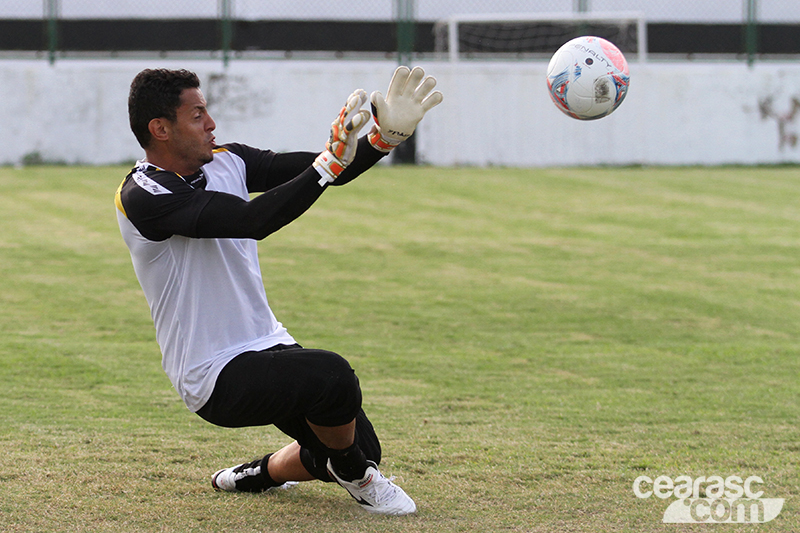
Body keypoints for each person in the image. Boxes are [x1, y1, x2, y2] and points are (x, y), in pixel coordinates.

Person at [115, 66, 441, 516]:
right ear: (160, 129)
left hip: (267, 341)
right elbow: (256, 219)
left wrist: (383, 140)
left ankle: (259, 474)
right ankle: (357, 477)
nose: (211, 125)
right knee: (333, 377)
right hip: (213, 372)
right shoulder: (143, 195)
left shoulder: (229, 159)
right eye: (198, 115)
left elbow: (329, 170)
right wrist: (328, 164)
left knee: (359, 443)